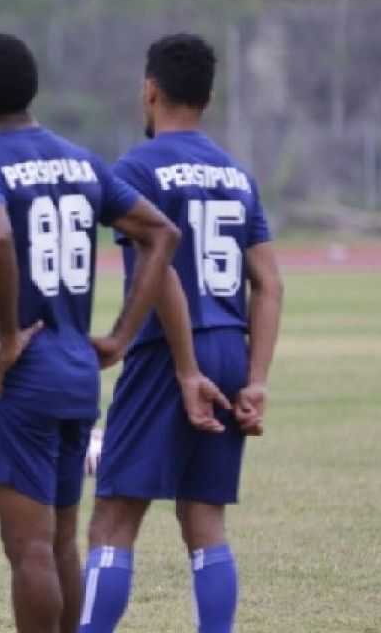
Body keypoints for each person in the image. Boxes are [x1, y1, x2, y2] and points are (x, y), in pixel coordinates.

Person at [0, 32, 184, 633]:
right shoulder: (80, 160)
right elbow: (161, 234)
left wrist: (5, 336)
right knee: (59, 545)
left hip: (17, 376)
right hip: (77, 370)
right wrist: (122, 337)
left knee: (27, 550)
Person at [81, 33, 284, 633]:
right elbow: (269, 284)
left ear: (150, 91)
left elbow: (158, 262)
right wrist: (257, 381)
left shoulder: (136, 168)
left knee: (114, 517)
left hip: (168, 352)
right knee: (205, 520)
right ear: (209, 99)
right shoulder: (236, 175)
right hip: (231, 346)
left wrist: (186, 367)